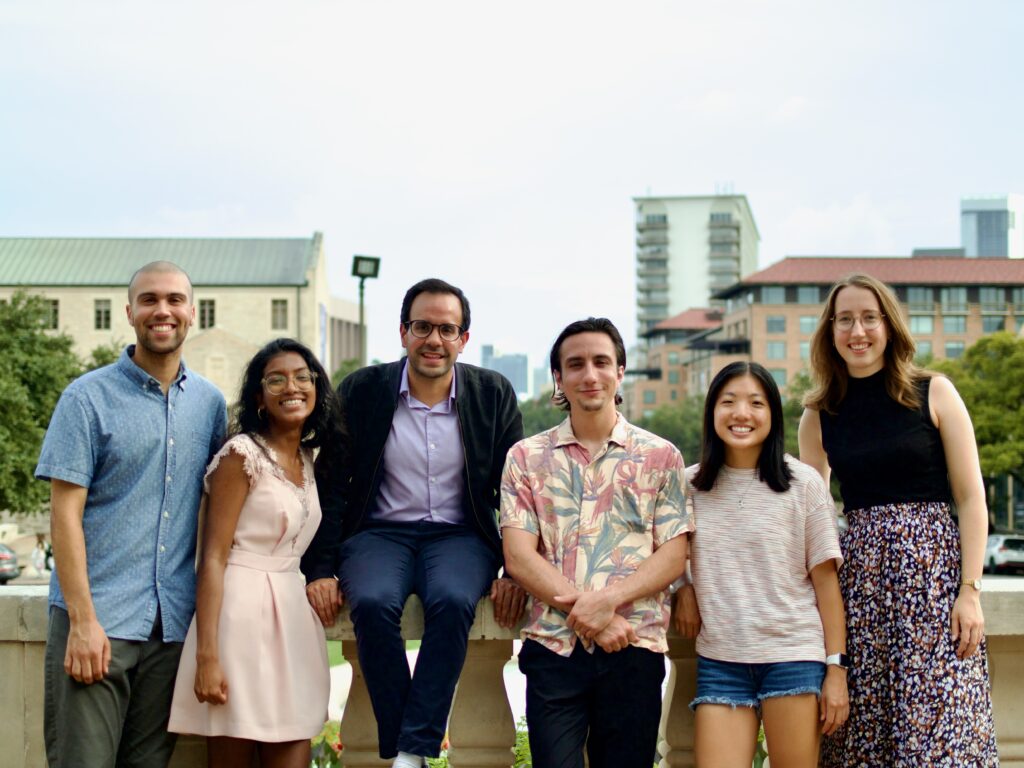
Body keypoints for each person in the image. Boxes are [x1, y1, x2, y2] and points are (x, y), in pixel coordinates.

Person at [302, 278, 526, 767]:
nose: (434, 340)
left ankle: (409, 751)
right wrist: (320, 569)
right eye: (422, 327)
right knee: (372, 601)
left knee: (453, 600)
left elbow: (516, 492)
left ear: (464, 339)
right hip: (379, 533)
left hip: (460, 535)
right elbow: (331, 483)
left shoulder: (492, 393)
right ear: (403, 332)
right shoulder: (363, 390)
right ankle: (412, 748)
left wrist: (515, 571)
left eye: (447, 329)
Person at [798, 273, 999, 766]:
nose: (857, 331)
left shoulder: (935, 392)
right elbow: (813, 517)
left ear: (889, 326)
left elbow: (971, 498)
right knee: (868, 737)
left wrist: (970, 590)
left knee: (944, 735)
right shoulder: (818, 414)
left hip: (935, 589)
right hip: (862, 594)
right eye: (845, 320)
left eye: (870, 318)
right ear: (830, 331)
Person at [34, 261, 227, 768]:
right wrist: (82, 620)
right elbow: (64, 514)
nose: (162, 310)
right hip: (99, 621)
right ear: (129, 312)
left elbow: (217, 510)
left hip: (171, 630)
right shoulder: (85, 398)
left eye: (174, 300)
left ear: (192, 313)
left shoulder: (210, 404)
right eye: (149, 300)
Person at [500, 317, 690, 768]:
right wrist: (595, 619)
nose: (590, 374)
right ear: (558, 377)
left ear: (620, 371)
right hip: (554, 648)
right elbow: (519, 556)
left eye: (601, 362)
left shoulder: (661, 457)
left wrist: (608, 602)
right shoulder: (525, 458)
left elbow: (673, 554)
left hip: (634, 647)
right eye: (576, 364)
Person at [168, 338, 345, 766]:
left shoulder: (310, 459)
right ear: (260, 398)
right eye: (276, 380)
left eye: (302, 377)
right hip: (239, 621)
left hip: (293, 620)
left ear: (316, 388)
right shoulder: (240, 455)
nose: (292, 387)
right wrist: (207, 656)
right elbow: (212, 557)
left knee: (295, 745)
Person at [673, 361, 848, 768]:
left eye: (756, 403)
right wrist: (683, 587)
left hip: (793, 656)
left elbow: (827, 587)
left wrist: (836, 670)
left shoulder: (804, 484)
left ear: (772, 414)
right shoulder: (687, 485)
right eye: (728, 402)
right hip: (721, 658)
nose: (742, 414)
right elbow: (664, 553)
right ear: (712, 411)